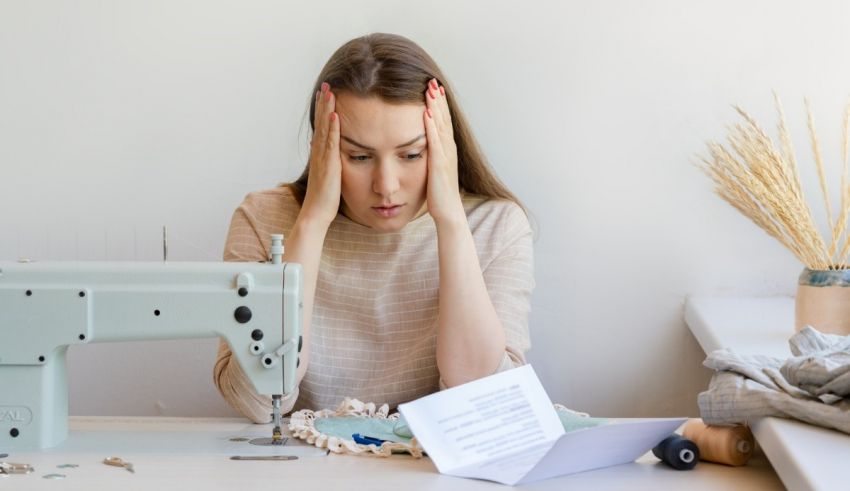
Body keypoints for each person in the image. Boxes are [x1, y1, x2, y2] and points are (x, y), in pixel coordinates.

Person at [213, 33, 534, 422]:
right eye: (360, 156)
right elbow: (256, 401)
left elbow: (483, 402)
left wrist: (450, 220)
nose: (386, 185)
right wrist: (313, 221)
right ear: (323, 148)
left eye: (412, 154)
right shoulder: (261, 220)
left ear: (446, 145)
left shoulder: (496, 227)